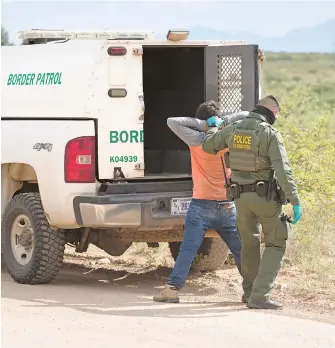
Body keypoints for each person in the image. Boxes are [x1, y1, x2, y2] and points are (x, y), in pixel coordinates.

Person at [202, 95, 303, 310]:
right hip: (265, 198)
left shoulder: (233, 129)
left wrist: (212, 128)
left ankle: (248, 293)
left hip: (240, 199)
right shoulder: (269, 133)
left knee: (249, 243)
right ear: (273, 113)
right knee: (276, 242)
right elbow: (283, 172)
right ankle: (260, 295)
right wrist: (295, 201)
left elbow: (209, 146)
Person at [153, 101, 249, 304]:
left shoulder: (197, 140)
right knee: (240, 249)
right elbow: (246, 114)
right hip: (227, 207)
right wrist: (223, 122)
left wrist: (203, 125)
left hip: (201, 207)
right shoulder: (228, 140)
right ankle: (252, 291)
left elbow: (172, 122)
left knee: (188, 249)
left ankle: (172, 290)